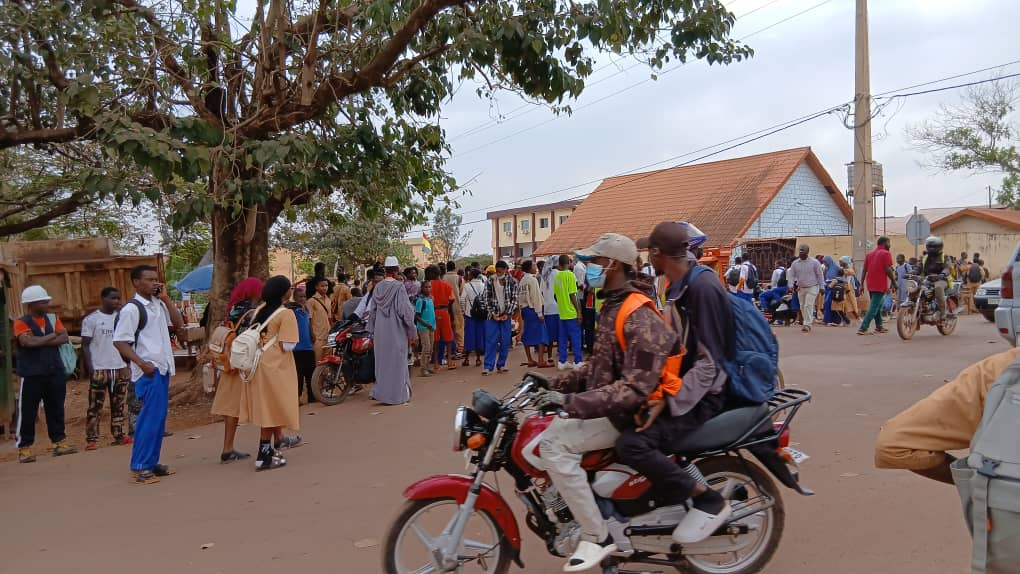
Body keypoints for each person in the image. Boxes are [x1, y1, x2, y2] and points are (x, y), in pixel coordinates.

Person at [529, 233, 676, 571]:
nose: (588, 268)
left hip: (628, 415)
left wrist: (572, 403)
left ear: (613, 265)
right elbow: (598, 367)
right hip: (607, 406)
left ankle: (597, 536)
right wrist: (550, 384)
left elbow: (634, 389)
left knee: (553, 445)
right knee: (544, 432)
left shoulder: (637, 311)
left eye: (594, 262)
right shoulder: (612, 302)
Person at [618, 220, 735, 546]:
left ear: (658, 255)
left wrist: (667, 401)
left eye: (649, 253)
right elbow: (673, 347)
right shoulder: (677, 285)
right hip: (685, 387)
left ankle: (706, 499)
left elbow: (709, 365)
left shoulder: (702, 289)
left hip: (707, 395)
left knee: (632, 444)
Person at [875, 346, 1020, 483]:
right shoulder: (997, 374)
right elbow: (895, 444)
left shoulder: (996, 372)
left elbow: (893, 443)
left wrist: (979, 487)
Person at [113, 265, 184, 484]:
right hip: (148, 372)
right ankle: (140, 465)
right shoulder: (132, 309)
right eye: (149, 279)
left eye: (156, 279)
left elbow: (179, 324)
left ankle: (151, 462)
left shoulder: (158, 305)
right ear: (136, 282)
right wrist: (142, 364)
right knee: (149, 420)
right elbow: (120, 341)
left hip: (162, 368)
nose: (155, 283)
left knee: (158, 419)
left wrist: (166, 299)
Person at [238, 276, 301, 471]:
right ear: (284, 293)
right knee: (273, 409)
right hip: (276, 367)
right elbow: (288, 344)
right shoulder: (286, 314)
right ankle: (263, 455)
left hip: (258, 365)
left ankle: (272, 449)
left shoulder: (259, 310)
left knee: (267, 407)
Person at [14, 285, 77, 463]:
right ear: (31, 304)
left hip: (54, 371)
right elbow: (28, 343)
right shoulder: (21, 322)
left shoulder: (52, 318)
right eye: (42, 301)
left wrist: (40, 339)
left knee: (56, 408)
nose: (47, 303)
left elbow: (64, 337)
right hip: (31, 374)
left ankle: (59, 442)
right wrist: (51, 337)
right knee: (28, 411)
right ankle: (24, 447)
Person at [211, 277, 262, 463]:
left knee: (231, 407)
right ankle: (276, 440)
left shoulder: (233, 308)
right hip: (245, 365)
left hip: (230, 363)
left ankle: (228, 447)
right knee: (267, 400)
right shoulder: (252, 312)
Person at [81, 287, 133, 451]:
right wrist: (91, 368)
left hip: (120, 368)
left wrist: (128, 364)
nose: (116, 302)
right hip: (100, 368)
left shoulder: (122, 318)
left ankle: (119, 434)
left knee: (119, 403)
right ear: (103, 299)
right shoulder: (92, 320)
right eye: (112, 298)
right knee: (95, 405)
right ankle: (91, 438)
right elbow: (85, 345)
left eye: (118, 298)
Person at [366, 256, 417, 404]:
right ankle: (397, 396)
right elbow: (405, 311)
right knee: (398, 362)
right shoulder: (399, 287)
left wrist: (371, 331)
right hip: (396, 331)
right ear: (396, 270)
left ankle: (382, 394)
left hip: (380, 332)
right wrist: (412, 330)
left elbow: (372, 311)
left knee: (382, 364)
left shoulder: (377, 287)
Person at [482, 260, 518, 375]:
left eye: (500, 271)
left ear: (506, 270)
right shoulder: (490, 281)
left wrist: (507, 313)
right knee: (490, 341)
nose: (498, 273)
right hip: (492, 316)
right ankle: (488, 366)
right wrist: (492, 313)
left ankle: (501, 365)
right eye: (497, 272)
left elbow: (515, 299)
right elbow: (486, 298)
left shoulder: (512, 282)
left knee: (505, 341)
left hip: (506, 316)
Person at [858, 236, 897, 335]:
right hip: (880, 283)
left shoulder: (870, 254)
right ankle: (863, 328)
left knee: (878, 305)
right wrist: (894, 282)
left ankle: (879, 326)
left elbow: (864, 270)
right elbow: (888, 269)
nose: (890, 245)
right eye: (889, 243)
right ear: (885, 243)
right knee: (874, 306)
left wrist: (861, 284)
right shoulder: (885, 253)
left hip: (870, 283)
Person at [517, 260, 549, 368]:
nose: (535, 267)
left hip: (525, 309)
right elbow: (535, 297)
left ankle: (530, 359)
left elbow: (520, 298)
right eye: (534, 266)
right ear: (530, 268)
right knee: (541, 334)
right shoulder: (532, 280)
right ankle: (540, 360)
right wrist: (539, 313)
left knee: (527, 333)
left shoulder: (522, 280)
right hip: (533, 309)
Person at [554, 254, 584, 369]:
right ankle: (578, 361)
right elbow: (573, 295)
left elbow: (555, 295)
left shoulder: (557, 277)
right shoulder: (570, 275)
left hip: (562, 313)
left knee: (562, 338)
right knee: (576, 337)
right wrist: (579, 311)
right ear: (569, 263)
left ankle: (562, 361)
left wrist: (562, 305)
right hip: (571, 312)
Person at [424, 265, 456, 371]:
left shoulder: (428, 286)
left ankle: (436, 363)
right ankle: (450, 361)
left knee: (435, 338)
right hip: (445, 311)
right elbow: (451, 299)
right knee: (448, 337)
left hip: (433, 313)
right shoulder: (446, 285)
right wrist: (451, 314)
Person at [788, 245, 825, 332]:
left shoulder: (814, 262)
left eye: (803, 251)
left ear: (807, 252)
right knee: (802, 306)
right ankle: (807, 321)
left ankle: (807, 324)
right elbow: (791, 275)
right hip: (801, 288)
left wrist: (822, 287)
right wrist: (790, 285)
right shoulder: (795, 263)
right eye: (800, 251)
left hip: (813, 287)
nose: (801, 252)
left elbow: (820, 275)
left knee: (808, 305)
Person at [290, 284, 316, 403]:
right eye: (300, 297)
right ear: (294, 297)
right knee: (298, 375)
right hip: (296, 348)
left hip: (308, 346)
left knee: (310, 373)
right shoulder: (292, 310)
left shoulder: (306, 309)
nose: (302, 299)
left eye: (304, 296)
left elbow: (308, 323)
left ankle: (312, 396)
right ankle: (297, 397)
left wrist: (312, 334)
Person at [919, 236, 951, 322]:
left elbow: (947, 268)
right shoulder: (924, 257)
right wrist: (912, 272)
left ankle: (942, 312)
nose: (932, 249)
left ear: (939, 247)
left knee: (938, 288)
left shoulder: (945, 257)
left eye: (934, 246)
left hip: (941, 280)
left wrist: (942, 274)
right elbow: (918, 267)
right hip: (927, 279)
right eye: (930, 246)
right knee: (915, 287)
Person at [460, 268, 486, 367]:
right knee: (479, 335)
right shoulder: (484, 285)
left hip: (469, 313)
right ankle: (478, 359)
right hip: (481, 314)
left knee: (469, 336)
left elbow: (462, 300)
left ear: (471, 275)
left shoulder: (467, 286)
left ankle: (466, 359)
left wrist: (463, 311)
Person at [540, 255, 561, 366]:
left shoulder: (544, 275)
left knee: (549, 335)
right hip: (558, 308)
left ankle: (549, 356)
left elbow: (541, 292)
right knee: (560, 334)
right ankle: (562, 356)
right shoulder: (558, 274)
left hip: (547, 308)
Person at [442, 262, 465, 358]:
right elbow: (461, 293)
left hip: (445, 308)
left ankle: (449, 350)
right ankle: (460, 349)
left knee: (448, 330)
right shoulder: (459, 278)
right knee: (459, 329)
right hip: (457, 307)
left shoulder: (442, 278)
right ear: (455, 268)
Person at [307, 277, 333, 361]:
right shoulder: (311, 301)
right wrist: (312, 335)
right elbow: (309, 319)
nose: (325, 287)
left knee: (327, 362)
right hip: (317, 337)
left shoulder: (328, 300)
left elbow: (329, 318)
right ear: (316, 287)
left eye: (326, 285)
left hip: (328, 336)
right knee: (317, 362)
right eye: (322, 286)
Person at [414, 280, 436, 377]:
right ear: (422, 288)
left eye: (429, 287)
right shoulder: (420, 300)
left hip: (431, 326)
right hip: (423, 327)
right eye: (426, 287)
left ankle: (427, 367)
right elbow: (417, 316)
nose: (428, 289)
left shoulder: (431, 299)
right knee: (426, 347)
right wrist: (426, 324)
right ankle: (423, 369)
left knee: (430, 348)